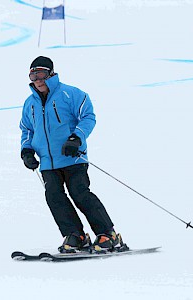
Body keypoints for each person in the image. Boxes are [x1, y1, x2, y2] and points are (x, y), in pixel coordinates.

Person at [19, 56, 124, 253]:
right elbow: (27, 130)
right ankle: (76, 235)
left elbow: (88, 116)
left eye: (41, 74)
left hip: (73, 157)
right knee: (54, 197)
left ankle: (108, 234)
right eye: (33, 75)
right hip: (48, 162)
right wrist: (27, 151)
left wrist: (77, 138)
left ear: (51, 74)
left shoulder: (70, 94)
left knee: (79, 193)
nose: (37, 80)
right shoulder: (29, 103)